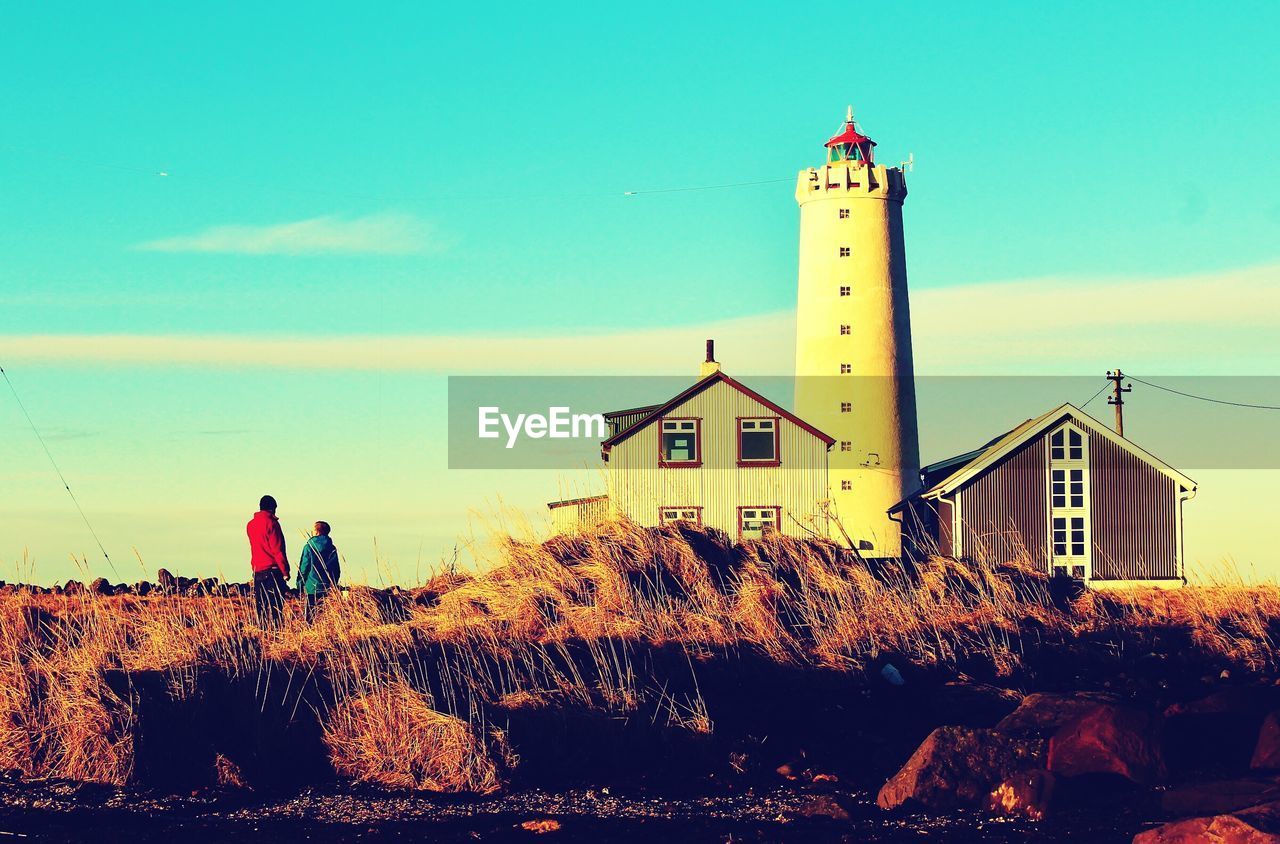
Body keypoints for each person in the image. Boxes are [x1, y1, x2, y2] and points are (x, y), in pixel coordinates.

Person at [246, 494, 289, 629]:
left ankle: (263, 634)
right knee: (275, 607)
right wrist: (285, 571)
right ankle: (276, 637)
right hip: (273, 571)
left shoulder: (251, 525)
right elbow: (277, 549)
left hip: (257, 570)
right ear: (273, 508)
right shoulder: (272, 524)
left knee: (262, 607)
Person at [297, 520, 340, 623]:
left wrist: (300, 584)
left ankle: (310, 633)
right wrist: (333, 584)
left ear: (316, 531)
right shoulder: (332, 548)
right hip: (327, 586)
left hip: (311, 586)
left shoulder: (309, 547)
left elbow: (304, 567)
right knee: (324, 615)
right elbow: (336, 569)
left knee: (310, 617)